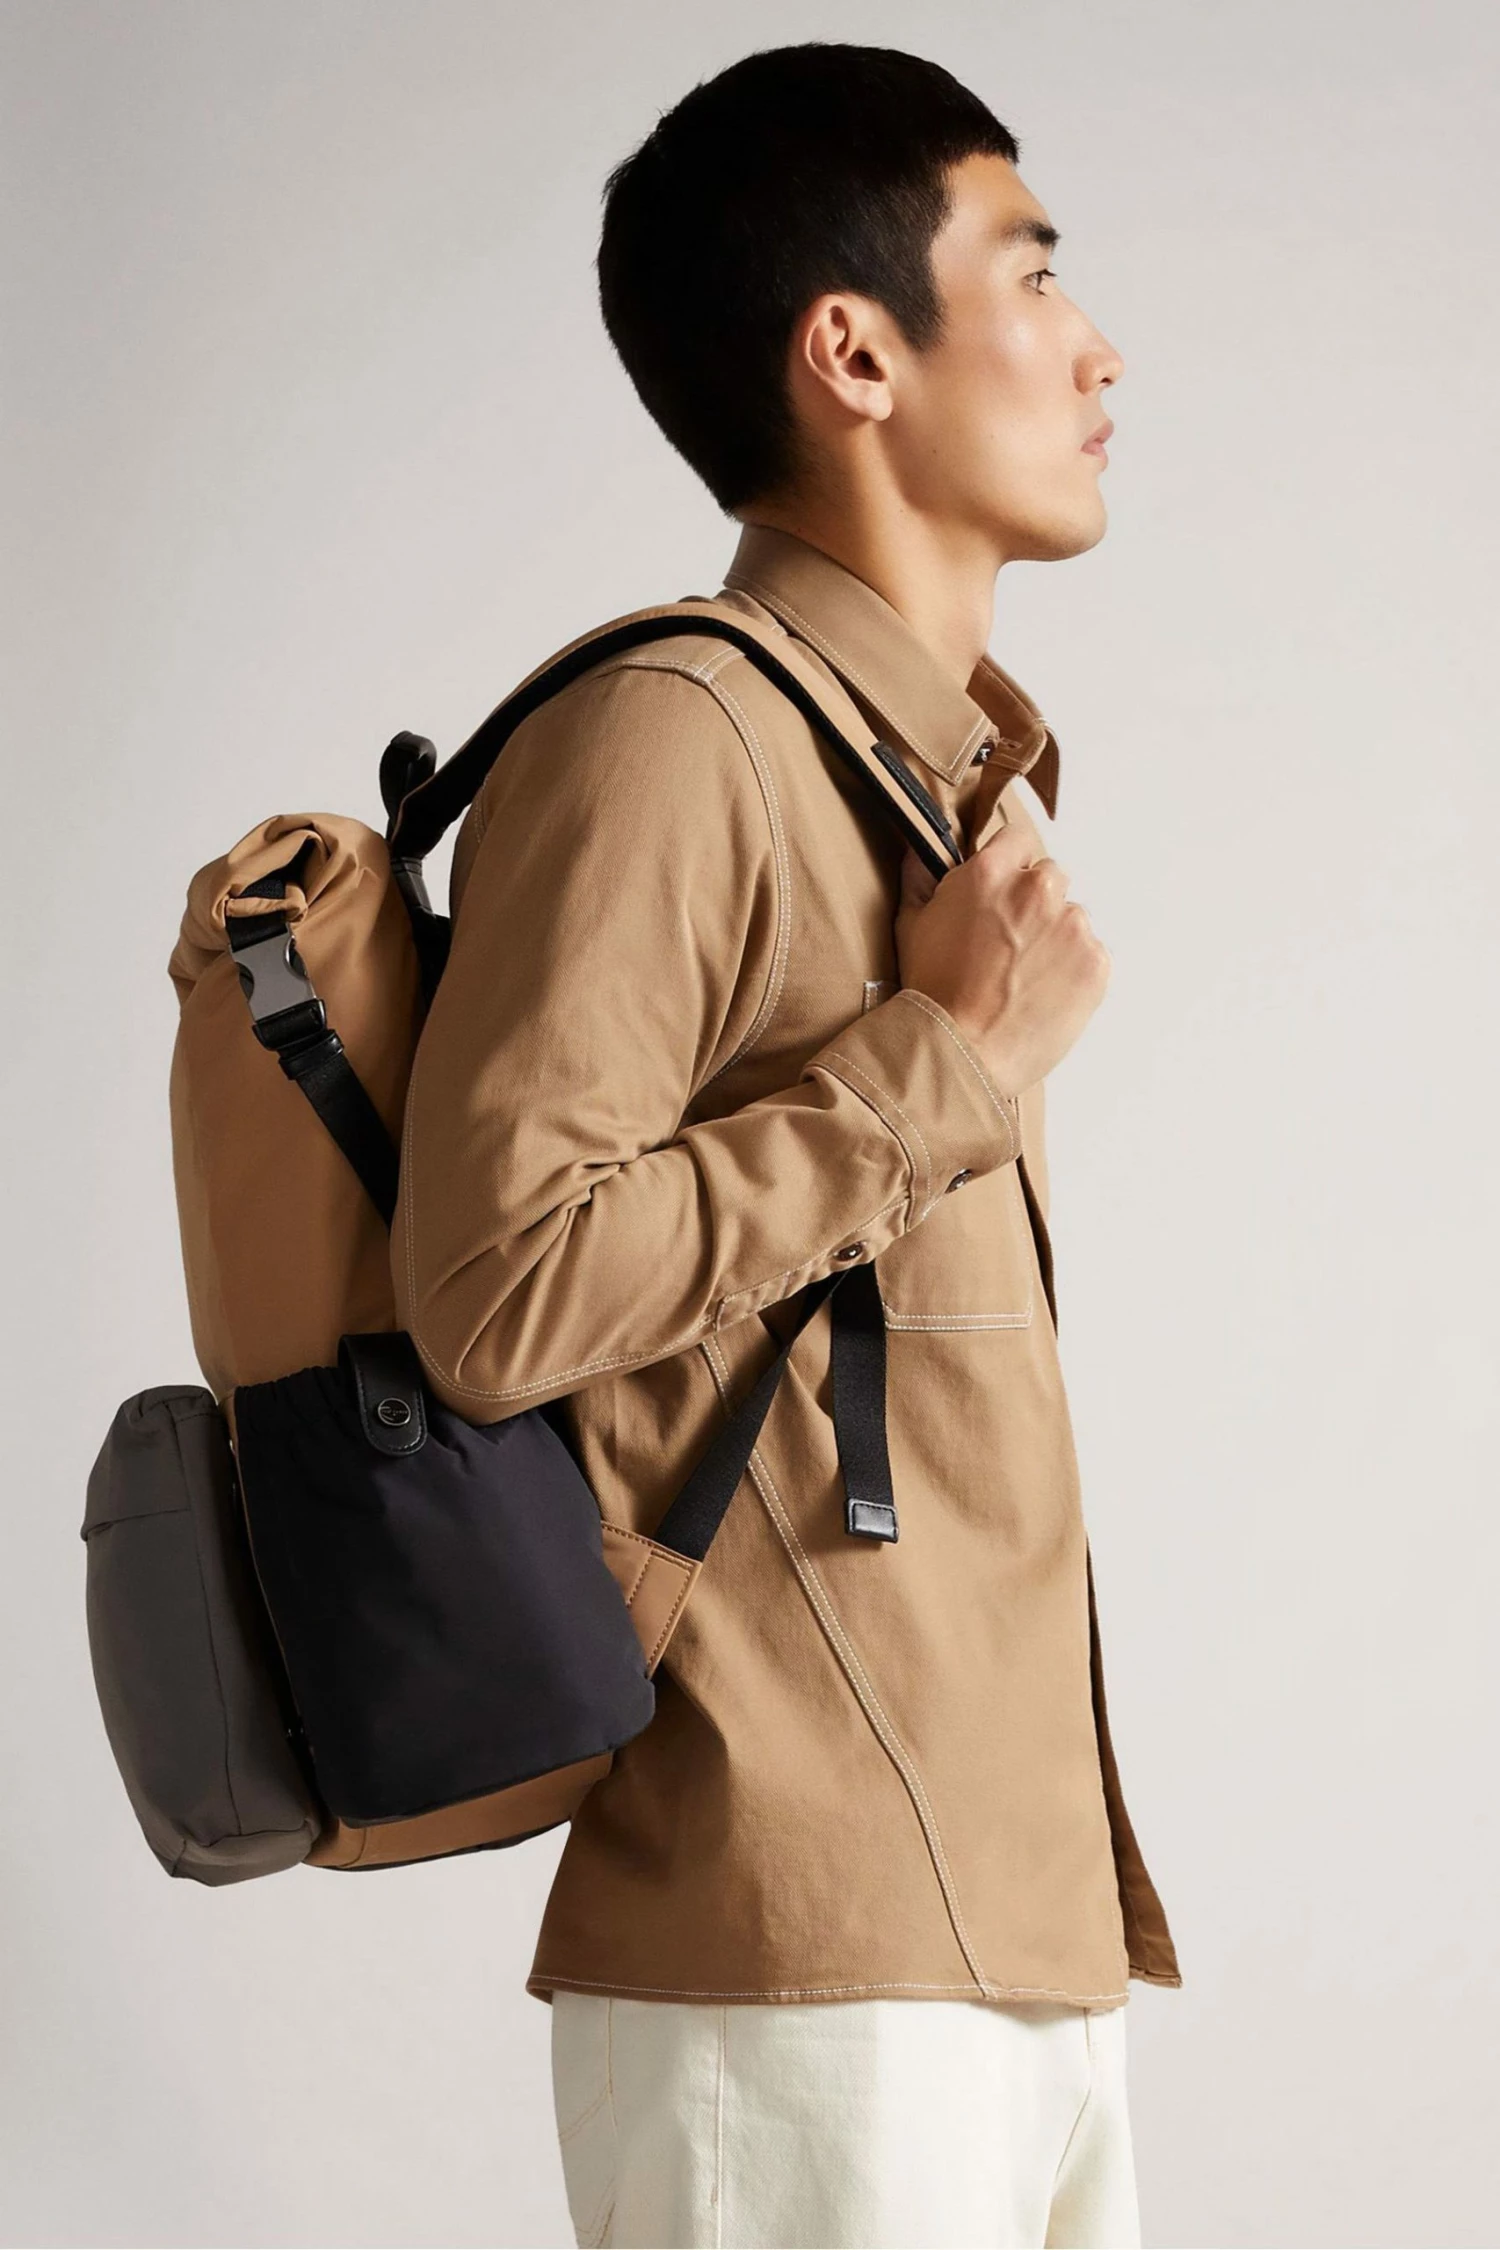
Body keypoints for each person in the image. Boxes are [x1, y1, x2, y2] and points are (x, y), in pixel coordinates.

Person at [394, 39, 1179, 2250]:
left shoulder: (913, 783)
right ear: (855, 351)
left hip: (1016, 1945)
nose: (1098, 345)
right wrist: (937, 1062)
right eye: (1031, 268)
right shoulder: (677, 733)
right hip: (800, 1968)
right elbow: (495, 1290)